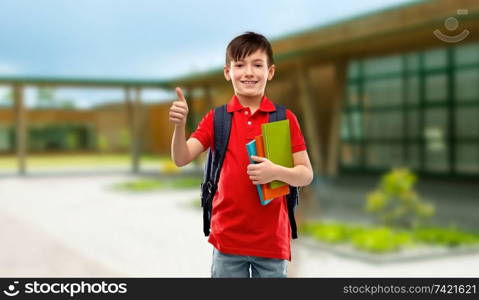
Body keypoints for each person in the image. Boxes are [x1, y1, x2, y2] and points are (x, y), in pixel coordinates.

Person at [169, 32, 314, 278]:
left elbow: (306, 174)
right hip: (227, 241)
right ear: (228, 72)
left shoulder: (284, 118)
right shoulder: (217, 119)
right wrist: (180, 124)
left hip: (272, 244)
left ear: (270, 72)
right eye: (240, 65)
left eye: (257, 65)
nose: (249, 72)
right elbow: (181, 158)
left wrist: (276, 172)